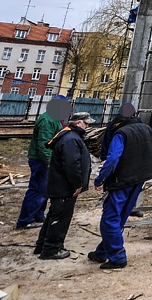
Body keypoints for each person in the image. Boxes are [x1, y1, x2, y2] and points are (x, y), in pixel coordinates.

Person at [88, 113, 152, 269]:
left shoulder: (121, 133)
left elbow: (113, 159)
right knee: (120, 216)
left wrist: (100, 178)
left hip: (121, 180)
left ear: (116, 124)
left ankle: (117, 257)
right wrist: (144, 156)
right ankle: (103, 251)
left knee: (109, 219)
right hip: (140, 178)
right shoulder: (146, 128)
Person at [33, 111, 94, 260]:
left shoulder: (69, 137)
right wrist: (77, 184)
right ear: (78, 123)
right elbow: (72, 164)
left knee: (54, 215)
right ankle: (52, 250)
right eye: (86, 123)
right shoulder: (71, 139)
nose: (88, 126)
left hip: (61, 185)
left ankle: (43, 245)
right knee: (60, 218)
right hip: (64, 187)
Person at [15, 97, 66, 230]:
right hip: (41, 160)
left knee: (45, 190)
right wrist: (50, 163)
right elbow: (44, 145)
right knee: (37, 189)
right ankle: (25, 220)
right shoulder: (47, 120)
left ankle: (38, 215)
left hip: (47, 160)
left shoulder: (56, 118)